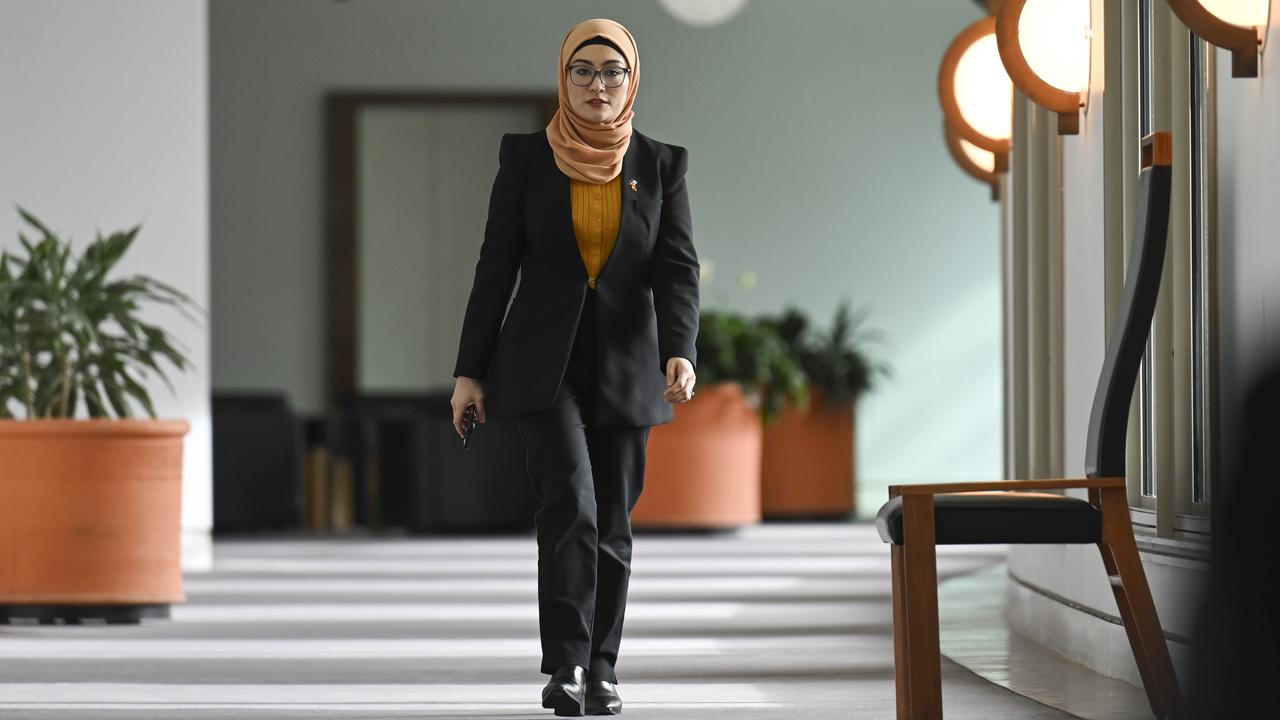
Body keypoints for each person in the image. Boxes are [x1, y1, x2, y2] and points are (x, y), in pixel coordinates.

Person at [449, 17, 700, 717]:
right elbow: (494, 267)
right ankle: (563, 663)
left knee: (614, 519)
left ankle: (602, 666)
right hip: (540, 363)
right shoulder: (526, 159)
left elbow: (676, 271)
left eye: (611, 72)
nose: (597, 85)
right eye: (582, 71)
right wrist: (470, 369)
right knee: (571, 506)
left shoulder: (661, 164)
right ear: (563, 79)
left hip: (627, 362)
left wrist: (680, 348)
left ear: (632, 81)